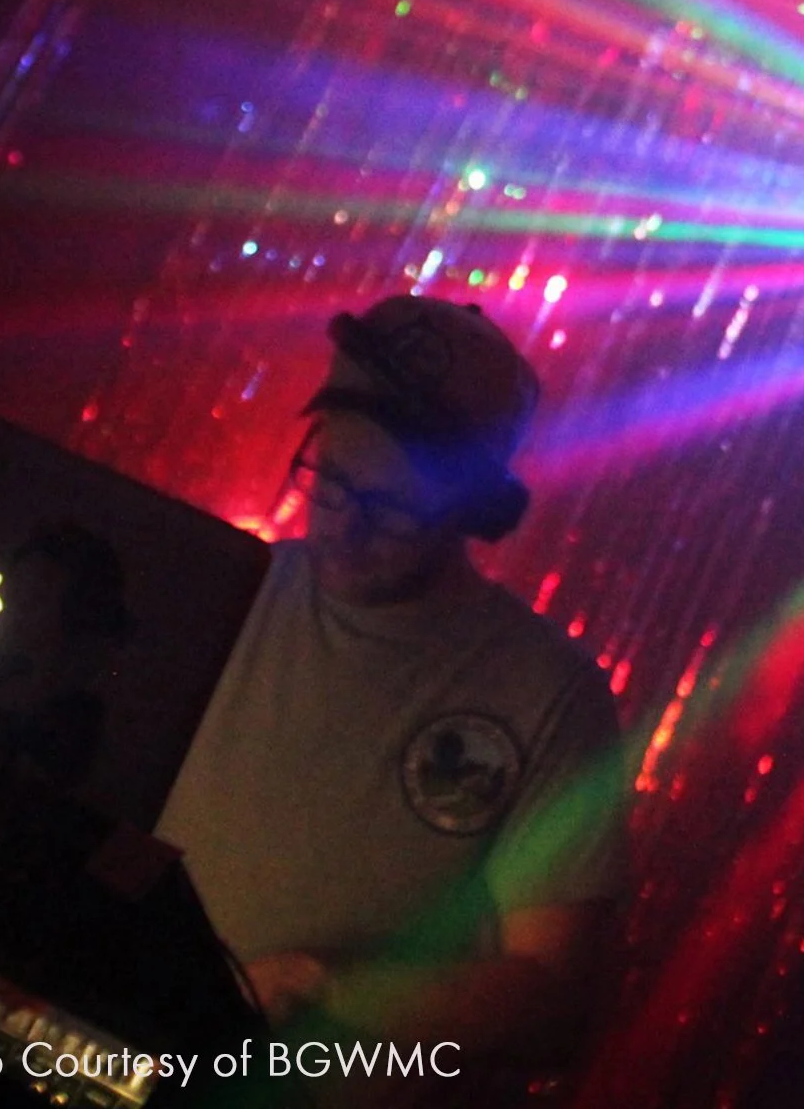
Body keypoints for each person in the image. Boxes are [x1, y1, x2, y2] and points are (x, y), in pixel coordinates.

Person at [157, 296, 627, 1099]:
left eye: (393, 508)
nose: (344, 527)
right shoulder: (218, 591)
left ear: (475, 512)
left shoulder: (548, 695)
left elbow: (556, 1004)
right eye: (333, 482)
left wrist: (337, 990)